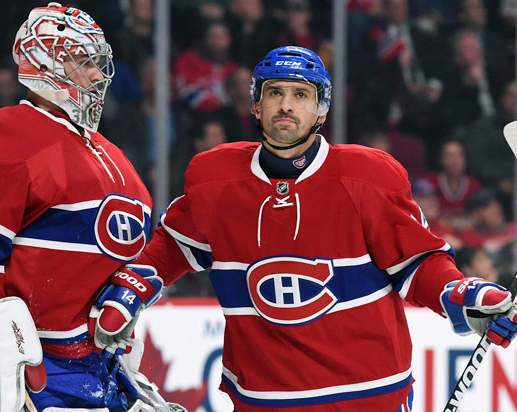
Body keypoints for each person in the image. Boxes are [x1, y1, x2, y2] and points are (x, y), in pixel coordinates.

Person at [90, 46, 517, 411]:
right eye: (274, 93)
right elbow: (173, 246)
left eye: (300, 94)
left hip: (367, 396)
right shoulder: (214, 178)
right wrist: (135, 282)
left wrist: (459, 293)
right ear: (255, 105)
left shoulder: (369, 176)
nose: (286, 105)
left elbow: (418, 264)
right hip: (262, 397)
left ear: (322, 107)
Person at [0, 4, 183, 412]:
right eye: (84, 61)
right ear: (46, 61)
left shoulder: (111, 155)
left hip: (103, 372)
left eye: (97, 63)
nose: (97, 75)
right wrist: (0, 354)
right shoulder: (13, 136)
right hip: (41, 373)